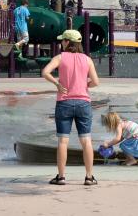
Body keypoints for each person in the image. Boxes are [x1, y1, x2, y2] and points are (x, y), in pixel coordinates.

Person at [41, 29, 100, 186]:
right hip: (83, 103)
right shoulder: (87, 60)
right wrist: (83, 85)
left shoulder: (60, 57)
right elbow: (96, 82)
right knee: (86, 140)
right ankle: (89, 177)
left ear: (68, 42)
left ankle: (61, 177)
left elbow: (45, 72)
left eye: (63, 40)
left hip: (64, 103)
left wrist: (57, 84)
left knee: (62, 141)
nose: (61, 43)